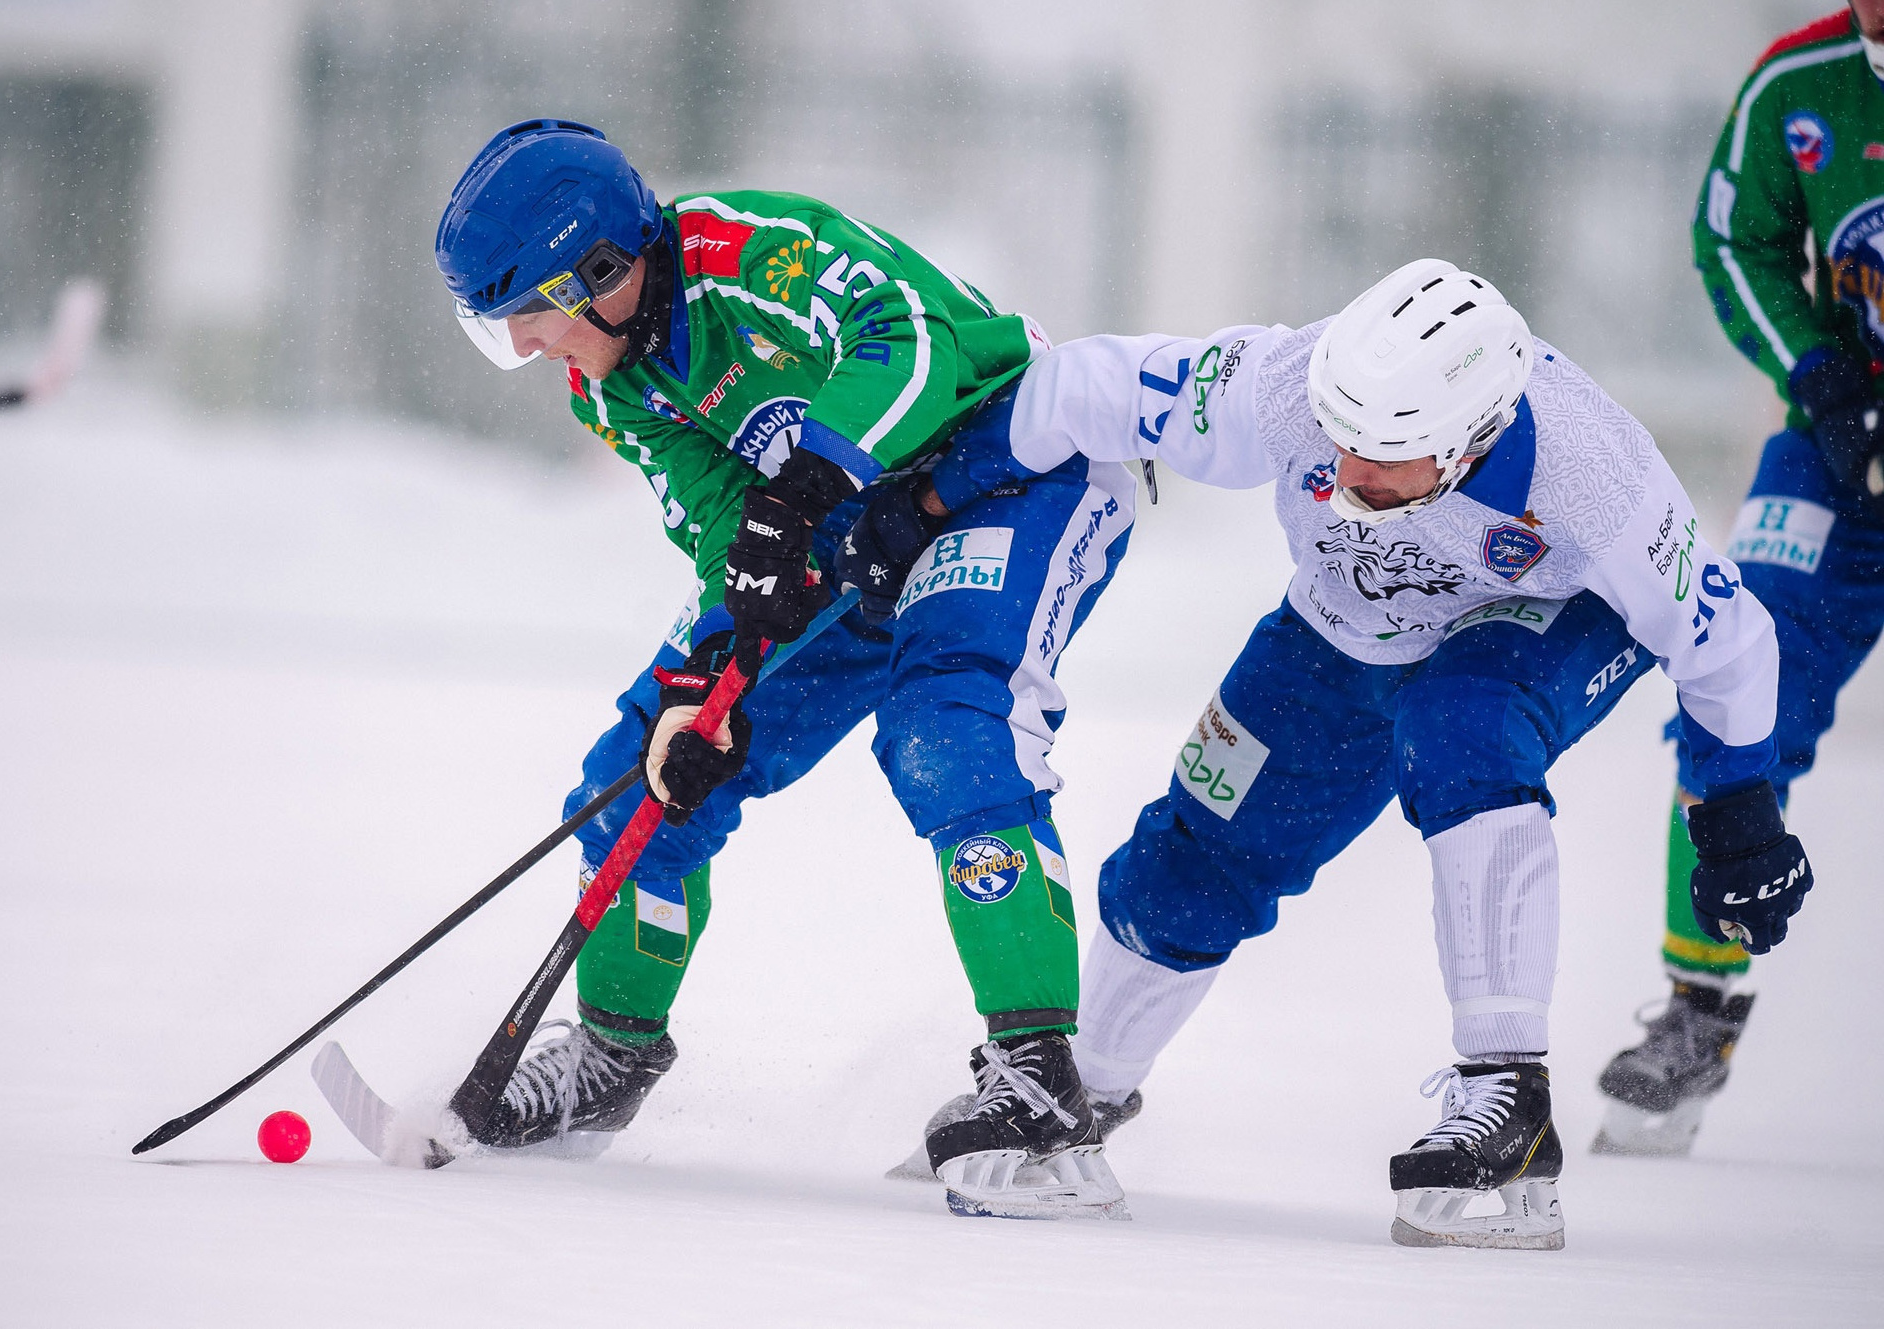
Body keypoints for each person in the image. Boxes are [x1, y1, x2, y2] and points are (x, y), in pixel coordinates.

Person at [906, 258, 1814, 1248]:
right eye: (1340, 442)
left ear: (1474, 439)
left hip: (1546, 616)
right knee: (1191, 852)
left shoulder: (1592, 471)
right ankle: (1079, 1103)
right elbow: (1081, 387)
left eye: (1386, 455)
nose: (1346, 474)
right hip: (1343, 623)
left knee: (1459, 728)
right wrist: (926, 500)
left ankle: (1507, 1096)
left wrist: (1739, 811)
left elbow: (1728, 638)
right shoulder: (1285, 384)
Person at [432, 119, 1137, 1218]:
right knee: (646, 768)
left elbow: (913, 340)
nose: (525, 347)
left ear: (606, 272)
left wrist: (807, 484)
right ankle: (612, 1059)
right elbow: (720, 521)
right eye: (500, 328)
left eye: (531, 314)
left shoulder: (758, 252)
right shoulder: (610, 386)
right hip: (852, 532)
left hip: (1012, 470)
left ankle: (1040, 1080)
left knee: (945, 730)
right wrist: (721, 652)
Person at [1594, 3, 1884, 1157]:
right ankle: (1699, 1007)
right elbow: (1736, 241)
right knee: (1735, 673)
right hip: (1838, 442)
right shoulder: (1799, 84)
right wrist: (1822, 377)